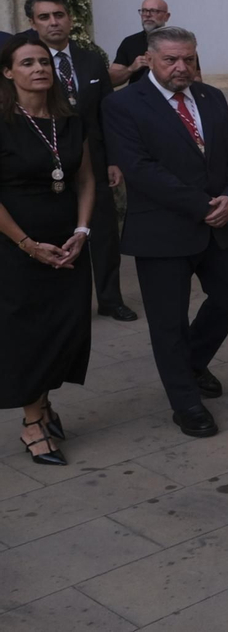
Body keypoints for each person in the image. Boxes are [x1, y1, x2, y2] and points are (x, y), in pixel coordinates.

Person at [102, 27, 228, 438]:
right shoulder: (126, 105)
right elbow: (141, 169)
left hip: (220, 225)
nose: (181, 67)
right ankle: (185, 402)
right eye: (171, 60)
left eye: (189, 59)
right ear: (149, 59)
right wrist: (204, 206)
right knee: (168, 322)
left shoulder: (211, 97)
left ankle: (192, 363)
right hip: (163, 232)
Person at [0, 36, 94, 466]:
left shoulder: (69, 120)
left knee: (66, 330)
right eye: (26, 63)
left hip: (68, 242)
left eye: (43, 62)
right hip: (16, 244)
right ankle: (32, 422)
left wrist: (82, 229)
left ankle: (44, 403)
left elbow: (86, 179)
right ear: (8, 72)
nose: (38, 68)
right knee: (28, 335)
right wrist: (26, 244)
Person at [24, 0, 136, 322]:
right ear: (33, 23)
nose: (53, 22)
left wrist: (115, 159)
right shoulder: (27, 61)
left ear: (70, 19)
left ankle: (110, 299)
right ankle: (60, 304)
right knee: (53, 232)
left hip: (95, 162)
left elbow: (107, 112)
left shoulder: (90, 60)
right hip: (44, 165)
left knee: (103, 235)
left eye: (59, 14)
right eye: (44, 17)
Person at [109, 0, 169, 87]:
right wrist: (131, 69)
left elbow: (196, 80)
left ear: (166, 16)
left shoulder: (179, 42)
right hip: (137, 97)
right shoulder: (130, 42)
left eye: (153, 11)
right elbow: (111, 81)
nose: (147, 15)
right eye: (144, 11)